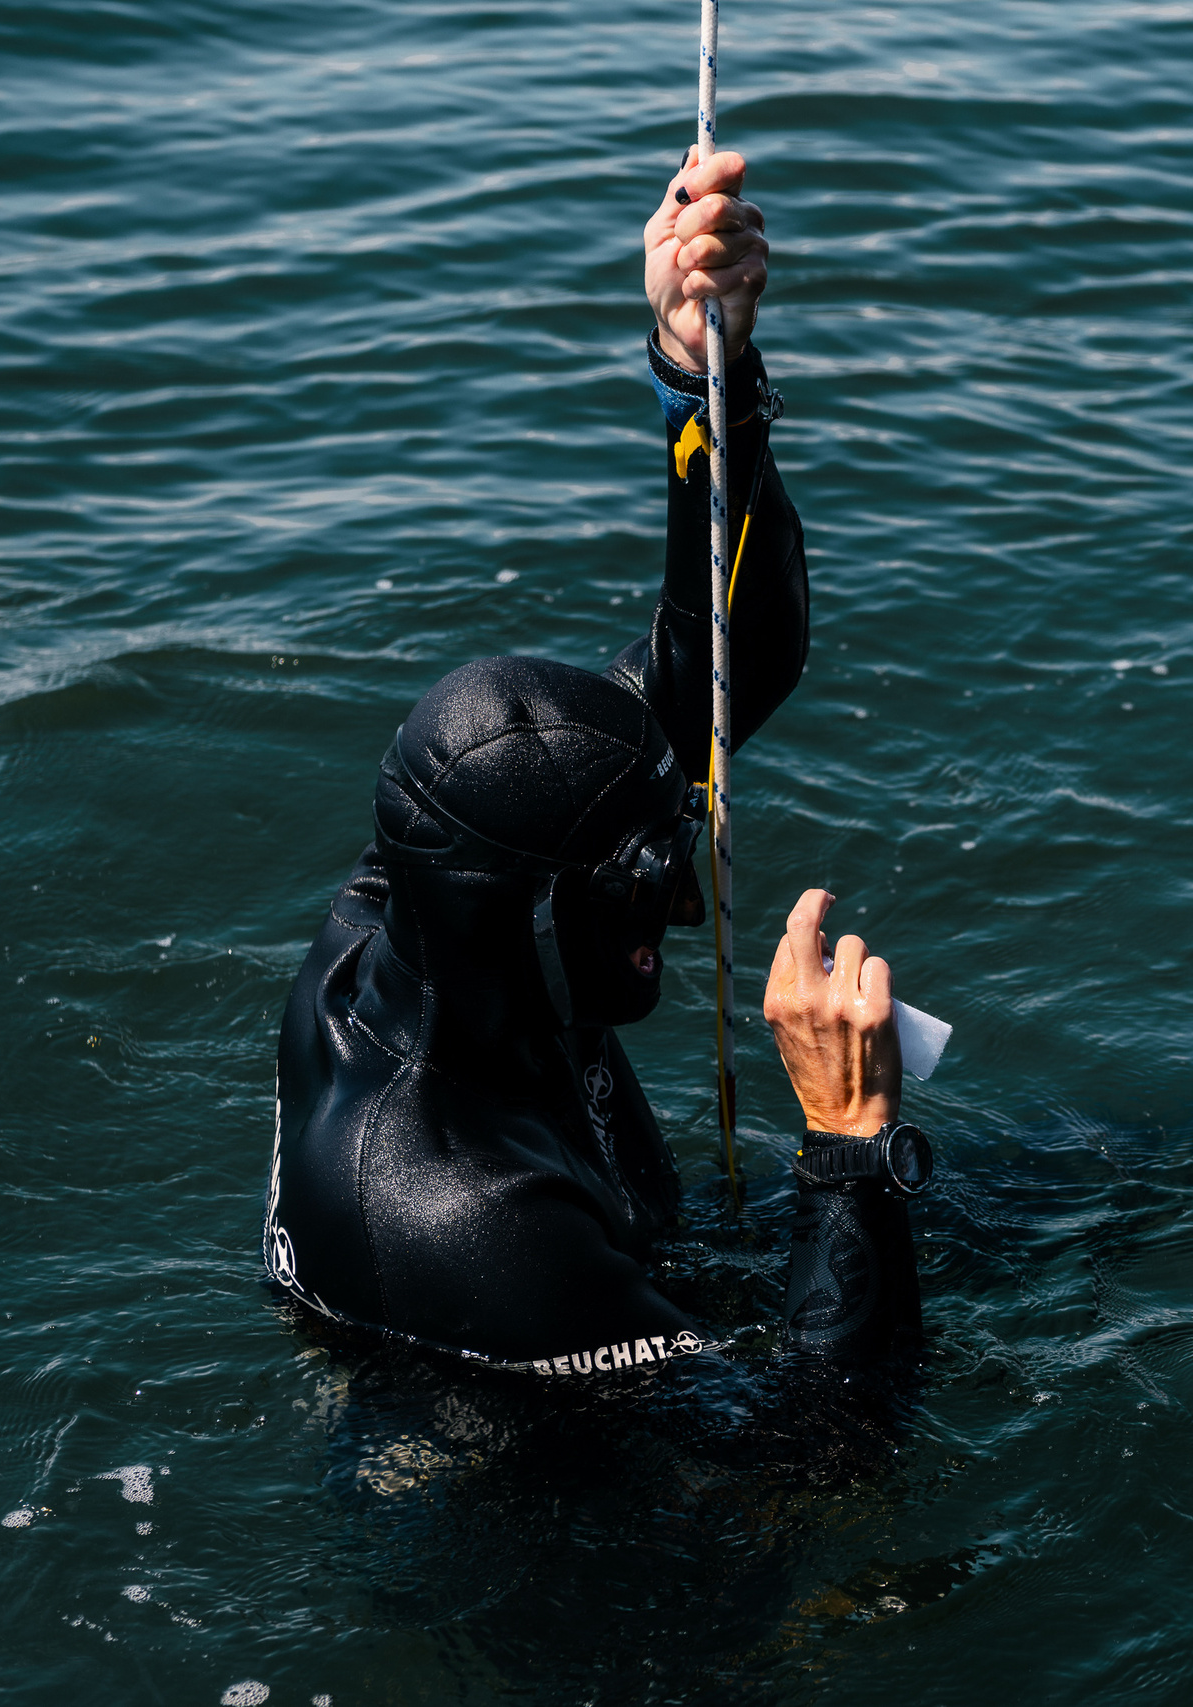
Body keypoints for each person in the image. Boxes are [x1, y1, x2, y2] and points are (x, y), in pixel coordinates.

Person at [263, 146, 934, 1377]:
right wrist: (845, 1140)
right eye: (647, 871)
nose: (685, 902)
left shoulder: (434, 888)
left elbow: (740, 661)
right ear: (533, 907)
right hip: (534, 1502)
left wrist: (703, 370)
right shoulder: (470, 1216)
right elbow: (813, 1473)